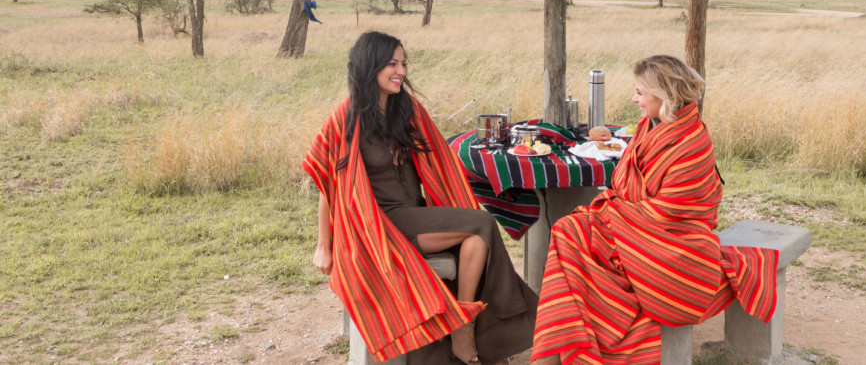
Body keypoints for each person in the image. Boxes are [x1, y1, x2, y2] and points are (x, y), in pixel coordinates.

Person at [303, 31, 538, 365]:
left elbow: (438, 160)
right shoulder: (346, 119)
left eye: (403, 63)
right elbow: (330, 187)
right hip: (380, 224)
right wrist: (324, 246)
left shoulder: (407, 109)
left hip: (417, 214)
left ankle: (463, 325)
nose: (400, 71)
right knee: (482, 222)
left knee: (475, 241)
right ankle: (467, 325)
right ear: (370, 67)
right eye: (391, 64)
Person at [531, 55, 778, 365]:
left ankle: (569, 349)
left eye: (639, 92)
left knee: (572, 235)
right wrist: (616, 210)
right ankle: (566, 344)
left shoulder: (691, 141)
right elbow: (625, 183)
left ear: (664, 94)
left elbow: (670, 212)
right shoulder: (652, 125)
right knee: (568, 232)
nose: (634, 99)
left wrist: (613, 213)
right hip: (636, 228)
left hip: (674, 243)